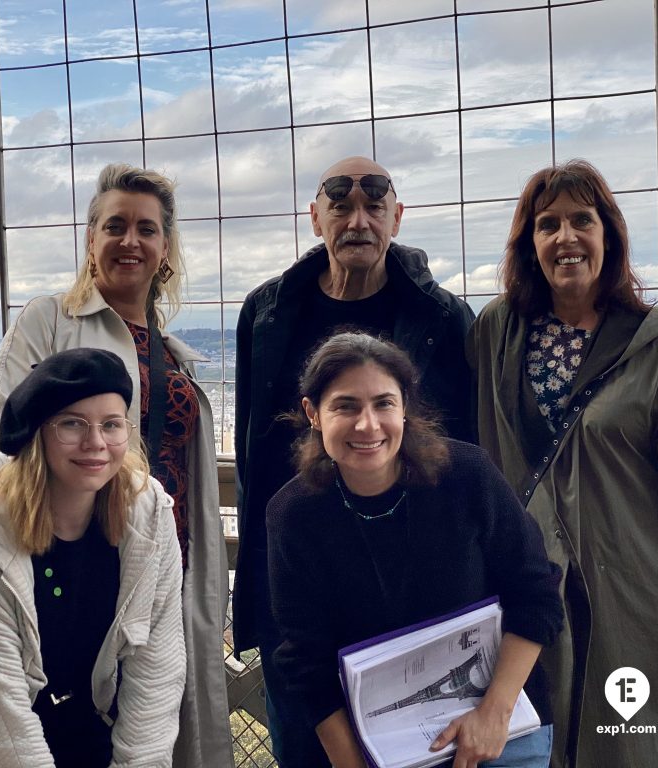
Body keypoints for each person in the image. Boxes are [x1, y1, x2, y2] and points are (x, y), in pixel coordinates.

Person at [0, 163, 232, 766]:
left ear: (165, 249)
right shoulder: (50, 321)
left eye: (147, 229)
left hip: (163, 561)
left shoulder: (171, 349)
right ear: (90, 240)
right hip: (76, 563)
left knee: (156, 723)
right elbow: (5, 441)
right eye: (115, 226)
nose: (131, 241)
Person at [233, 155, 475, 765]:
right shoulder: (266, 312)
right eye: (340, 205)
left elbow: (468, 451)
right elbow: (255, 454)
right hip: (299, 588)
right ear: (315, 219)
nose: (358, 219)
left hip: (412, 589)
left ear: (398, 216)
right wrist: (257, 594)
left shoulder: (443, 317)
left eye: (374, 204)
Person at [468, 159, 658, 768]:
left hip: (637, 596)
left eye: (581, 221)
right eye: (548, 225)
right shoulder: (499, 330)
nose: (565, 238)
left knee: (635, 749)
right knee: (540, 748)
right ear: (530, 245)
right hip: (530, 591)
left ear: (610, 236)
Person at [267, 332, 563, 768]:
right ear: (313, 413)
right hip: (380, 750)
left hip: (500, 733)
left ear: (405, 407)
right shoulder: (294, 514)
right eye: (346, 405)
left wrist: (493, 715)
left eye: (383, 403)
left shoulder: (468, 477)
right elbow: (304, 660)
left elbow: (536, 595)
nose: (367, 424)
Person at [0, 348, 186, 767]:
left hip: (94, 728)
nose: (95, 443)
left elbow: (156, 668)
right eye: (72, 424)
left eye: (111, 425)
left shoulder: (147, 518)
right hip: (2, 745)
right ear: (38, 433)